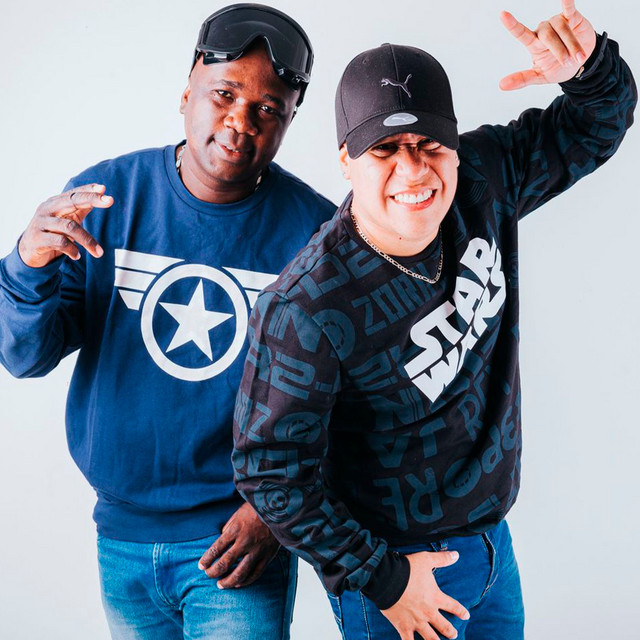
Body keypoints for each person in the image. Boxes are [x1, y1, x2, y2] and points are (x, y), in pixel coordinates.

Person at [232, 2, 636, 639]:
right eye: (385, 150)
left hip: (494, 546)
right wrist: (384, 580)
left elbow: (595, 125)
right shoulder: (307, 307)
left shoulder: (483, 178)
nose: (414, 170)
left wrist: (587, 70)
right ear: (346, 160)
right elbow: (269, 471)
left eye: (430, 145)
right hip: (399, 573)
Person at [0, 4, 334, 639]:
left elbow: (348, 393)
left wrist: (277, 506)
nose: (239, 122)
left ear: (290, 121)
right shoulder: (104, 198)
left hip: (237, 548)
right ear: (187, 92)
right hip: (119, 542)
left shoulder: (317, 233)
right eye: (224, 94)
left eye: (268, 109)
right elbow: (24, 356)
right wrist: (26, 265)